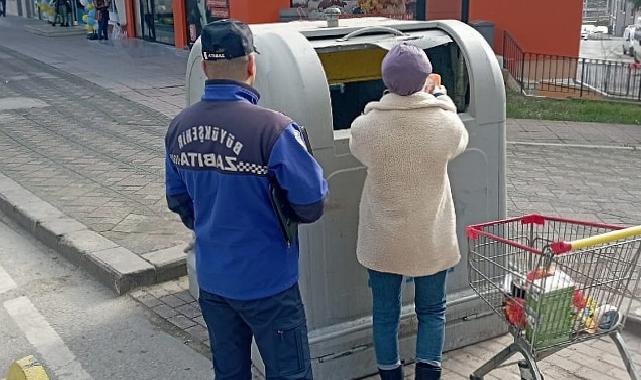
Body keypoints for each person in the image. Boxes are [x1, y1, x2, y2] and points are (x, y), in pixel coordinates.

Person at [165, 19, 328, 380]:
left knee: (229, 372)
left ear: (205, 67)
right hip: (269, 282)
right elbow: (311, 203)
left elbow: (177, 199)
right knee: (290, 373)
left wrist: (214, 225)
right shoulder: (275, 130)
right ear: (251, 65)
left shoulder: (178, 127)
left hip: (214, 281)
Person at [349, 43, 469, 380]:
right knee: (432, 310)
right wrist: (441, 95)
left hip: (383, 241)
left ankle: (391, 376)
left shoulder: (366, 127)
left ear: (385, 79)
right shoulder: (444, 124)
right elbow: (458, 137)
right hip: (430, 238)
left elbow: (359, 146)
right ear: (425, 78)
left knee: (385, 314)